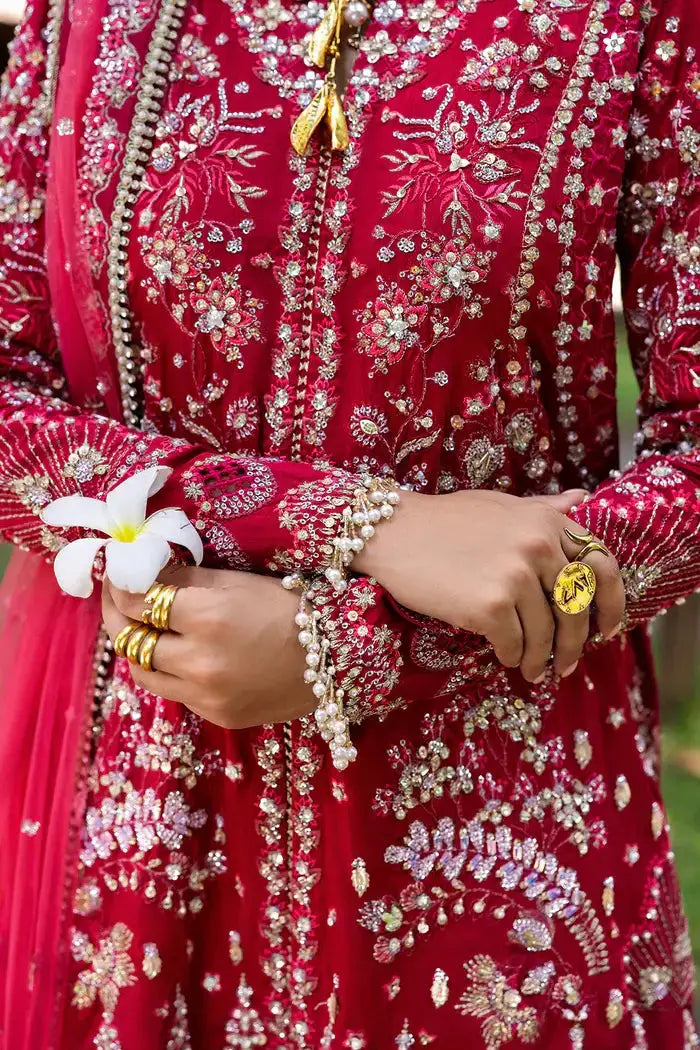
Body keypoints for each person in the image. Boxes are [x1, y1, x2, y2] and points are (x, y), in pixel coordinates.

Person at [0, 0, 698, 1046]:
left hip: (499, 857)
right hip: (139, 816)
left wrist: (359, 649)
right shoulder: (90, 16)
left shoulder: (640, 19)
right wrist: (367, 527)